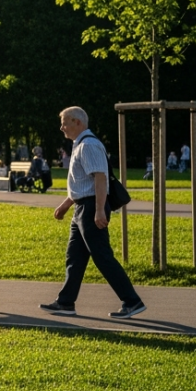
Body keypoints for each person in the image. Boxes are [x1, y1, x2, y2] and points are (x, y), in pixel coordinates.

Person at [42, 107, 146, 319]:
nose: (62, 127)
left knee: (102, 256)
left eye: (64, 123)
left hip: (91, 208)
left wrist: (99, 210)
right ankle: (65, 302)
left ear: (77, 122)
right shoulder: (80, 144)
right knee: (75, 257)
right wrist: (66, 204)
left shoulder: (88, 145)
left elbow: (100, 178)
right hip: (82, 207)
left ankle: (131, 301)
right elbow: (84, 183)